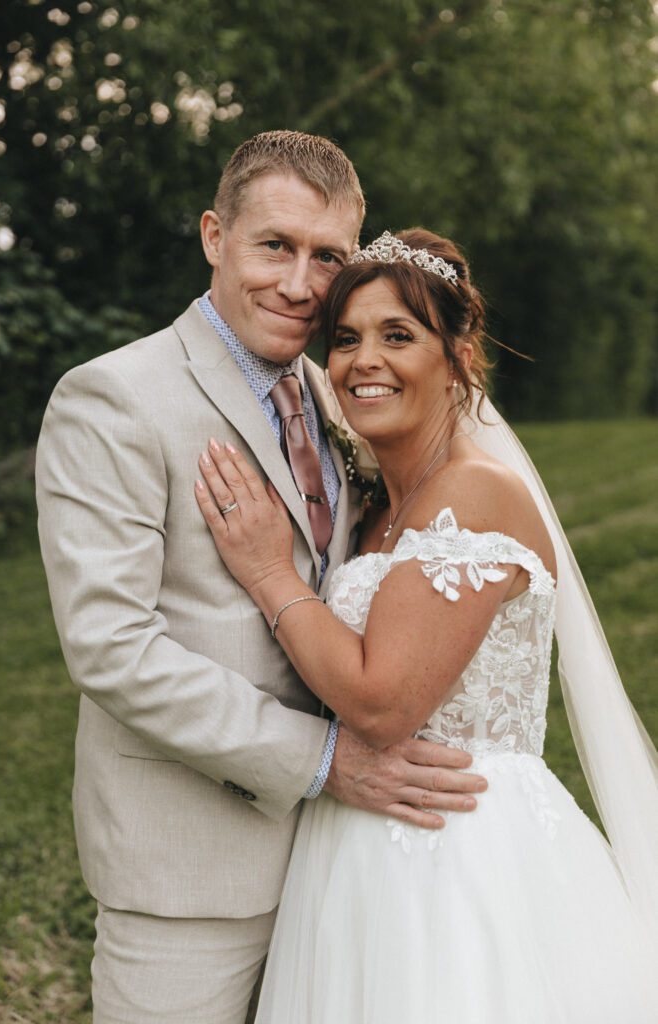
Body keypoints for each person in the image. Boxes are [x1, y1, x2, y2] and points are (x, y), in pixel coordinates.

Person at [35, 135, 487, 1024]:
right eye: (273, 246)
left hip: (342, 866)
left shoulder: (337, 392)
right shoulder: (114, 398)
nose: (299, 284)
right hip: (189, 869)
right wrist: (321, 760)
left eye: (327, 258)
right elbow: (110, 648)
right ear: (214, 236)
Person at [195, 228, 658, 1022]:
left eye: (396, 335)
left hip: (461, 858)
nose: (361, 361)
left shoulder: (477, 495)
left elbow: (383, 703)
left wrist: (271, 574)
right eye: (344, 340)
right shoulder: (374, 508)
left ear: (456, 355)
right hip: (346, 849)